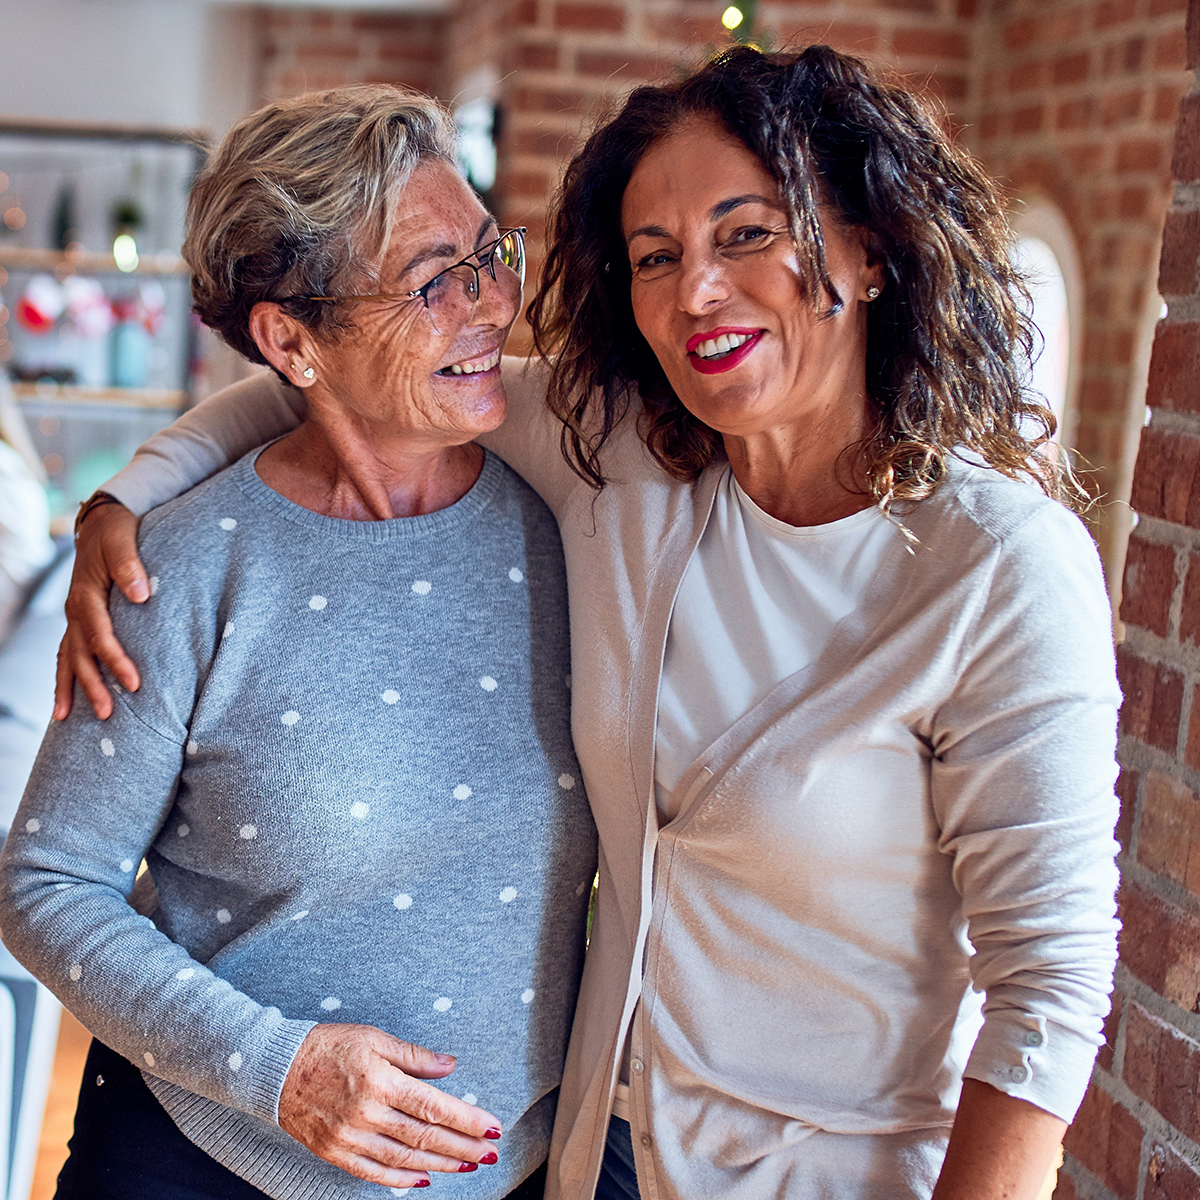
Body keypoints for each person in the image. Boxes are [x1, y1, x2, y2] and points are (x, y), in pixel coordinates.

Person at [52, 46, 1120, 1200]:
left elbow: (1050, 993)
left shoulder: (995, 566)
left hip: (843, 1174)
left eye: (747, 234)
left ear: (866, 249)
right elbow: (340, 384)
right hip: (601, 1153)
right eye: (656, 256)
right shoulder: (626, 460)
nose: (696, 292)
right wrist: (125, 501)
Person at [0, 85, 596, 1200]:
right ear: (290, 339)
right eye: (434, 280)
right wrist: (278, 1070)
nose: (492, 304)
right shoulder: (177, 569)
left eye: (489, 253)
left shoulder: (574, 530)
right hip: (205, 1162)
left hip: (510, 1172)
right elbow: (47, 881)